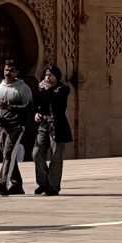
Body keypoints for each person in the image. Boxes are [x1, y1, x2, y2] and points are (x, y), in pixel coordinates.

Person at [0, 60, 33, 197]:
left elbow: (28, 108)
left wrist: (11, 108)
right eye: (6, 70)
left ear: (17, 72)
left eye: (11, 70)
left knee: (8, 154)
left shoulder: (23, 88)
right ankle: (17, 184)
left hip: (16, 126)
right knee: (8, 155)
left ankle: (3, 184)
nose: (8, 73)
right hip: (1, 127)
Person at [31, 64, 73, 196]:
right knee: (36, 153)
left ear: (56, 76)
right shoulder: (42, 88)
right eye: (46, 75)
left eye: (50, 75)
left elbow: (57, 102)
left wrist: (47, 90)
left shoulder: (63, 89)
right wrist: (36, 113)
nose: (47, 77)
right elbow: (36, 103)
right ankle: (43, 183)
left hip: (58, 126)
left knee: (56, 157)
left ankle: (53, 186)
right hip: (44, 125)